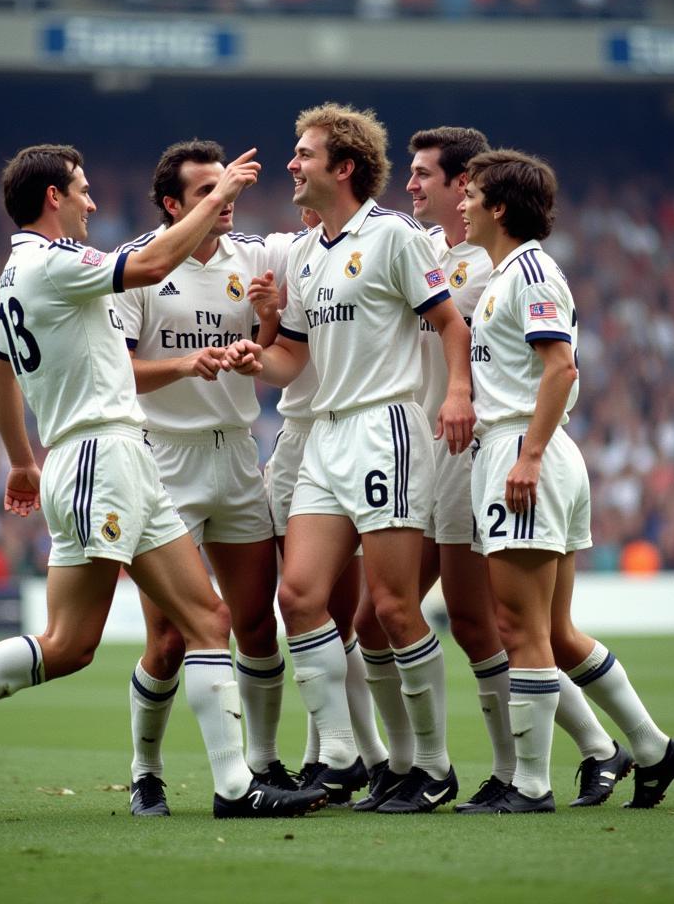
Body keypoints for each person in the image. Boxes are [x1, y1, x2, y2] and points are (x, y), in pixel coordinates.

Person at [0, 143, 326, 820]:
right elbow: (150, 262)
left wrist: (21, 460)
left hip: (101, 457)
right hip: (102, 456)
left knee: (178, 626)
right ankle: (230, 787)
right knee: (103, 638)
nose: (93, 201)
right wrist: (219, 195)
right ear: (53, 198)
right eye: (83, 189)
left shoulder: (15, 273)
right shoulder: (55, 261)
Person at [355, 126, 632, 812]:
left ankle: (522, 769)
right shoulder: (429, 252)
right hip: (421, 449)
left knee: (495, 625)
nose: (412, 186)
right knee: (388, 617)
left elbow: (558, 365)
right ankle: (594, 752)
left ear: (466, 191)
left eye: (427, 176)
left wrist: (530, 447)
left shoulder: (506, 268)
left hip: (476, 451)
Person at [225, 103, 474, 814]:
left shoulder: (393, 236)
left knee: (394, 608)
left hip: (385, 428)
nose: (291, 165)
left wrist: (457, 393)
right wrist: (255, 354)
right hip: (326, 436)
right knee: (299, 598)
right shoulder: (304, 254)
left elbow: (449, 324)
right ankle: (337, 755)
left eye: (303, 154)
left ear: (345, 167)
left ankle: (431, 765)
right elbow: (292, 360)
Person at [459, 148, 674, 812]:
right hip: (530, 448)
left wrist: (527, 456)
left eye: (472, 193)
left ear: (499, 207)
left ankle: (530, 785)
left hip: (523, 450)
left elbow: (560, 368)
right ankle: (652, 749)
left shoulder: (530, 273)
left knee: (517, 627)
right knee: (555, 632)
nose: (463, 203)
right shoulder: (507, 273)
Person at [112, 139, 290, 816]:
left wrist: (264, 328)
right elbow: (120, 371)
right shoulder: (139, 265)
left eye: (227, 187)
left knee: (256, 626)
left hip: (237, 454)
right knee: (170, 638)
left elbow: (273, 352)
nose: (224, 200)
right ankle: (146, 770)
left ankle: (262, 765)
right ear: (171, 204)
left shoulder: (253, 258)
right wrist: (190, 366)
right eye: (206, 191)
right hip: (165, 461)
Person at [263, 208, 388, 797]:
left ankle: (371, 756)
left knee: (353, 614)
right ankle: (344, 756)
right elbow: (276, 349)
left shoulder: (383, 242)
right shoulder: (286, 250)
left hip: (365, 433)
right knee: (313, 606)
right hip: (302, 439)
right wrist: (265, 316)